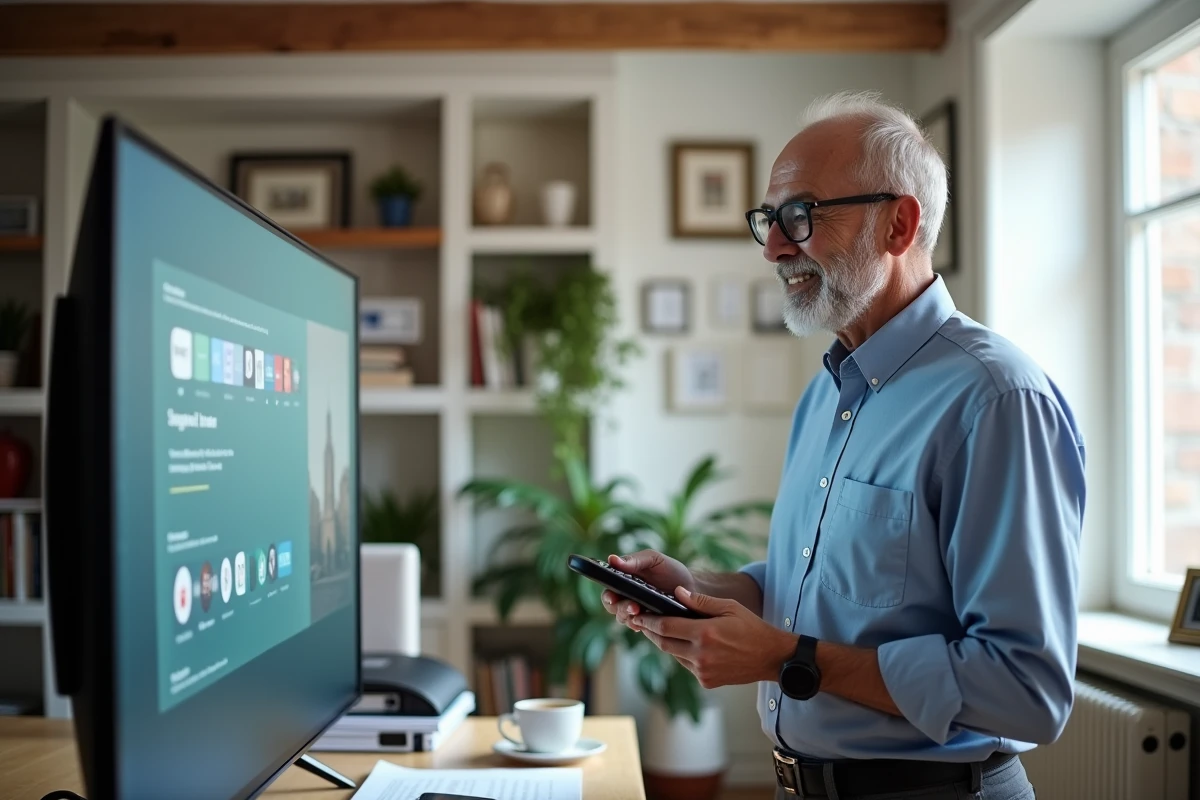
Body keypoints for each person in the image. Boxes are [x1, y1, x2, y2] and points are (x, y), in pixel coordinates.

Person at [602, 92, 1085, 800]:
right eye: (768, 221)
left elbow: (1026, 689)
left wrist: (788, 660)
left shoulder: (996, 401)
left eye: (801, 216)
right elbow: (820, 593)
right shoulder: (826, 393)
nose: (773, 248)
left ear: (899, 223)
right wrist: (696, 590)